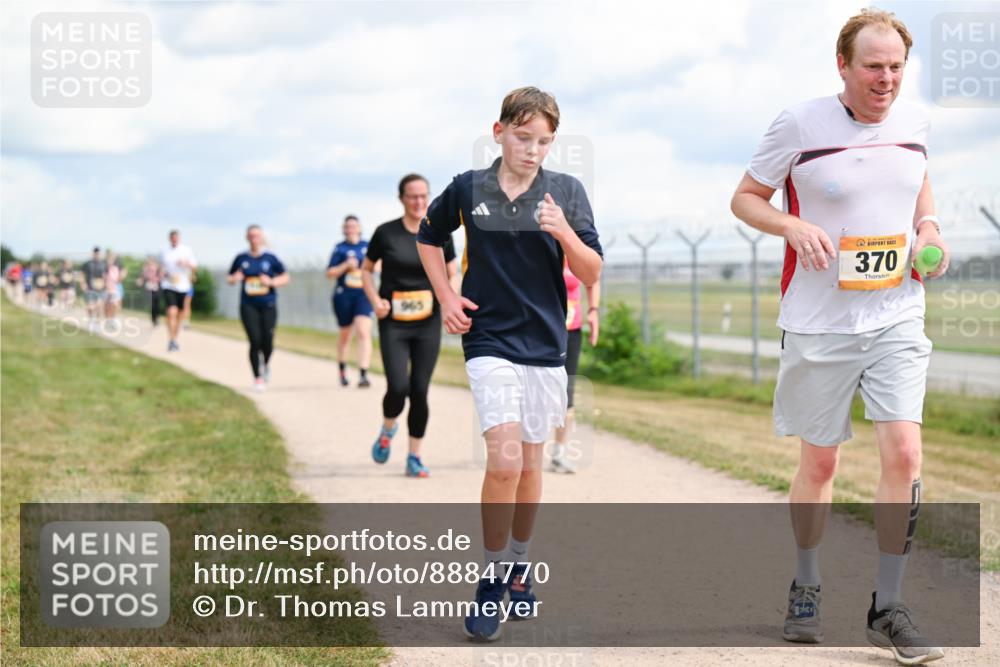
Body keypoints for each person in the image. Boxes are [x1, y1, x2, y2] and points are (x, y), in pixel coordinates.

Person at [730, 9, 948, 664]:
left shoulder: (914, 121)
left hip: (897, 312)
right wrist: (790, 227)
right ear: (843, 66)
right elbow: (745, 197)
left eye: (896, 68)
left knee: (905, 452)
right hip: (820, 320)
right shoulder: (799, 123)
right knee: (820, 462)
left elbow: (919, 186)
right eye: (874, 67)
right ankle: (807, 579)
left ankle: (888, 605)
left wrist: (930, 229)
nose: (886, 80)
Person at [417, 86, 602, 641]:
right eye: (523, 137)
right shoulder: (468, 188)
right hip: (489, 340)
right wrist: (447, 298)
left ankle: (520, 564)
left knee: (528, 466)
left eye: (544, 141)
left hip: (546, 346)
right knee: (501, 461)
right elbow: (430, 236)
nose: (533, 149)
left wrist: (563, 231)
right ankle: (492, 576)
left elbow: (591, 271)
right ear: (498, 132)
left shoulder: (566, 192)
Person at [362, 174, 459, 478]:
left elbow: (451, 271)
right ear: (401, 198)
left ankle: (414, 456)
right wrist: (375, 300)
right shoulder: (385, 233)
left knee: (419, 390)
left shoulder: (440, 231)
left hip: (427, 322)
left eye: (423, 196)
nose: (419, 202)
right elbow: (365, 271)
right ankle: (388, 427)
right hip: (394, 323)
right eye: (412, 196)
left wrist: (448, 301)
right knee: (398, 387)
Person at [549, 261, 600, 473]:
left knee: (566, 390)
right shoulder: (541, 245)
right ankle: (519, 448)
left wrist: (593, 311)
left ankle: (559, 452)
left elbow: (593, 278)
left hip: (571, 330)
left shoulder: (577, 247)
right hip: (542, 329)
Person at [228, 225, 289, 392]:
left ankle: (266, 364)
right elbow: (230, 278)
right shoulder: (241, 258)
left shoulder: (270, 258)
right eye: (251, 236)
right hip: (248, 305)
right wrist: (235, 278)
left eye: (257, 236)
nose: (254, 239)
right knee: (255, 341)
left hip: (268, 304)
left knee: (267, 341)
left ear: (261, 238)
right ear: (247, 238)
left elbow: (285, 277)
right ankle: (258, 378)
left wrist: (271, 282)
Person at [327, 215, 374, 388]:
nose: (351, 229)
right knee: (345, 336)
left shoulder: (367, 246)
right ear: (344, 229)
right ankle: (342, 370)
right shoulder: (339, 248)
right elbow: (330, 273)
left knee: (363, 331)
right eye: (348, 226)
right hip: (343, 296)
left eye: (354, 226)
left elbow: (379, 265)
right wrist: (345, 265)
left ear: (359, 228)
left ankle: (363, 374)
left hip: (364, 294)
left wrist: (364, 266)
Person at [159, 230, 198, 352]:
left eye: (176, 238)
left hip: (183, 285)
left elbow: (194, 266)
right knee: (171, 311)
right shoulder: (164, 252)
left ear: (179, 238)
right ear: (169, 239)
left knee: (180, 314)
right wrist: (162, 273)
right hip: (169, 285)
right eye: (172, 238)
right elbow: (161, 269)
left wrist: (185, 263)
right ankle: (171, 339)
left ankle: (174, 339)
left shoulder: (186, 250)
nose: (174, 240)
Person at [79, 247, 108, 328]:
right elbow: (81, 274)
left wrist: (106, 284)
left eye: (98, 253)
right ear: (93, 254)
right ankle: (91, 320)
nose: (97, 255)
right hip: (90, 288)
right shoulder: (87, 264)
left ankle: (98, 323)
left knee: (99, 306)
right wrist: (82, 283)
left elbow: (106, 275)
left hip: (101, 288)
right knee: (91, 306)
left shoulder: (104, 264)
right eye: (95, 253)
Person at [103, 250, 126, 326]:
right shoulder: (104, 266)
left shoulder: (118, 265)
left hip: (115, 288)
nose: (110, 259)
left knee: (115, 304)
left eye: (112, 257)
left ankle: (113, 318)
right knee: (107, 305)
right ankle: (107, 319)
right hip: (106, 288)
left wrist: (120, 277)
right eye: (109, 257)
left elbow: (123, 272)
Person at [137, 256, 161, 325]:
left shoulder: (157, 267)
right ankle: (154, 319)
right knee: (152, 304)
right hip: (149, 288)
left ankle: (156, 317)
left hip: (157, 287)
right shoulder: (145, 269)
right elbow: (142, 277)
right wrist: (140, 281)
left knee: (157, 304)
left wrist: (157, 279)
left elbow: (161, 276)